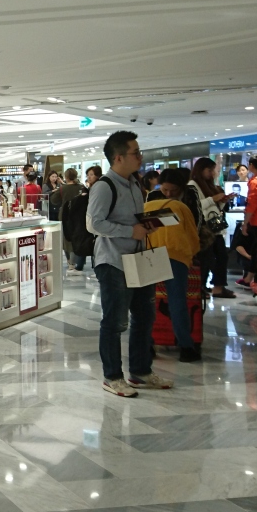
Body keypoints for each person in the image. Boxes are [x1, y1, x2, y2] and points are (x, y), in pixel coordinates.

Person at [87, 130, 171, 397]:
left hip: (138, 259)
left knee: (145, 317)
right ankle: (112, 376)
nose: (140, 157)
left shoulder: (135, 184)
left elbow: (132, 220)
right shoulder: (104, 186)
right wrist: (130, 231)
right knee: (115, 322)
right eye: (136, 153)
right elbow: (94, 224)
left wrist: (146, 226)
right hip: (113, 262)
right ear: (119, 157)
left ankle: (140, 371)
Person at [147, 169, 202, 362]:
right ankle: (186, 346)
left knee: (147, 301)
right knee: (177, 300)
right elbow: (193, 231)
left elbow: (143, 229)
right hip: (176, 255)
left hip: (150, 253)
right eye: (165, 190)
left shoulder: (148, 203)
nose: (168, 194)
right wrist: (192, 253)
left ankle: (147, 345)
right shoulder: (181, 207)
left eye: (173, 190)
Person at [188, 158, 234, 298]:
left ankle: (218, 287)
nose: (212, 173)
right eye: (210, 170)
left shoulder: (209, 185)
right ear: (201, 170)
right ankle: (200, 287)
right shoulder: (193, 185)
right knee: (206, 258)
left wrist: (222, 201)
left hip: (214, 226)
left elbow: (213, 207)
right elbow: (196, 206)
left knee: (221, 256)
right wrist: (212, 199)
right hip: (204, 228)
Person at [240, 154, 257, 291]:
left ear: (251, 166)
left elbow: (252, 205)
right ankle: (252, 278)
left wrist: (245, 223)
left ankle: (254, 279)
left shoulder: (255, 182)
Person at [57, 169, 85, 270]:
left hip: (65, 215)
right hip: (79, 215)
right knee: (78, 237)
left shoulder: (62, 188)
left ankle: (70, 261)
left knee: (66, 238)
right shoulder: (81, 187)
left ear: (66, 177)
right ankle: (76, 261)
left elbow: (54, 200)